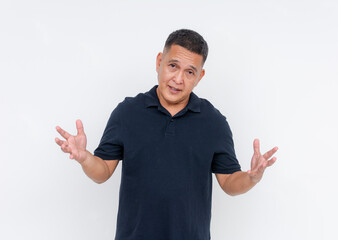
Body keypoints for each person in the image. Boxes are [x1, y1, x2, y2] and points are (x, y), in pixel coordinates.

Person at [55, 29, 278, 240]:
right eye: (173, 66)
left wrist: (251, 178)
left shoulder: (214, 122)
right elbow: (102, 171)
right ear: (159, 62)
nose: (178, 79)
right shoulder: (128, 112)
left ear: (199, 76)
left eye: (190, 72)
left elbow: (229, 181)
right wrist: (84, 158)